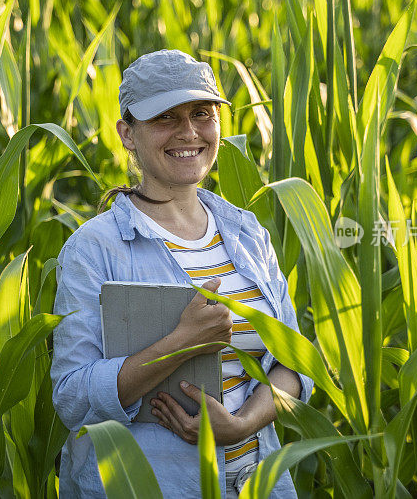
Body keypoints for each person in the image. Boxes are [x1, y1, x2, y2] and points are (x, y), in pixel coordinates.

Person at [51, 49, 314, 498]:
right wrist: (181, 344)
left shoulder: (247, 233)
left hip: (257, 482)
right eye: (165, 118)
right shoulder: (95, 249)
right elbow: (72, 397)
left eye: (201, 114)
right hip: (149, 485)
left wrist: (241, 425)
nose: (189, 132)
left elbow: (293, 363)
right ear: (128, 134)